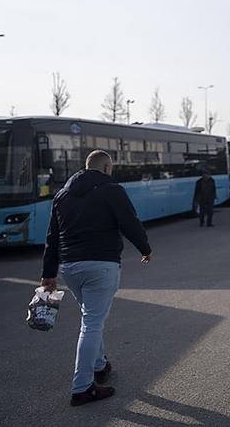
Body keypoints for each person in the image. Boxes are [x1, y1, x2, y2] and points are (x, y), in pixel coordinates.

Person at [40, 150, 151, 407]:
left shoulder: (62, 195)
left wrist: (49, 273)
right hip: (101, 264)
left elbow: (52, 237)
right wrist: (144, 249)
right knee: (91, 323)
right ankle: (82, 387)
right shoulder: (112, 190)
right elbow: (129, 222)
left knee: (90, 317)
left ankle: (100, 366)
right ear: (107, 167)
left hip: (69, 267)